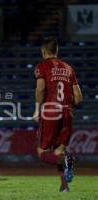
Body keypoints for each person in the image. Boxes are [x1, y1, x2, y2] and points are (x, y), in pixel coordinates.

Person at [33, 38, 83, 192]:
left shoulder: (42, 67)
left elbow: (40, 89)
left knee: (42, 152)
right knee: (59, 152)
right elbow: (79, 98)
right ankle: (64, 186)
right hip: (67, 112)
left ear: (43, 52)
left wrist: (37, 109)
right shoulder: (69, 68)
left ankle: (66, 162)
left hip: (50, 111)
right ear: (56, 51)